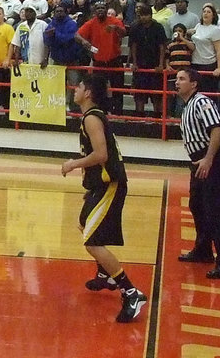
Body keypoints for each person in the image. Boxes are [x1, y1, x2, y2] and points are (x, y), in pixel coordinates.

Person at [61, 75, 147, 323]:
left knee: (91, 242)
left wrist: (73, 164)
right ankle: (104, 274)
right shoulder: (92, 116)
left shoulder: (91, 118)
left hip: (111, 185)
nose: (74, 89)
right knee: (83, 223)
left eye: (78, 87)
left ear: (87, 92)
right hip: (101, 184)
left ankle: (131, 292)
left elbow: (101, 154)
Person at [175, 68, 220, 279]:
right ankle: (203, 250)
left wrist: (209, 159)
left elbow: (217, 129)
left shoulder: (202, 102)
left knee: (216, 211)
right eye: (176, 79)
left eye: (182, 79)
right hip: (199, 162)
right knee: (197, 205)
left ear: (194, 84)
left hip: (213, 160)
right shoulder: (186, 107)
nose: (177, 82)